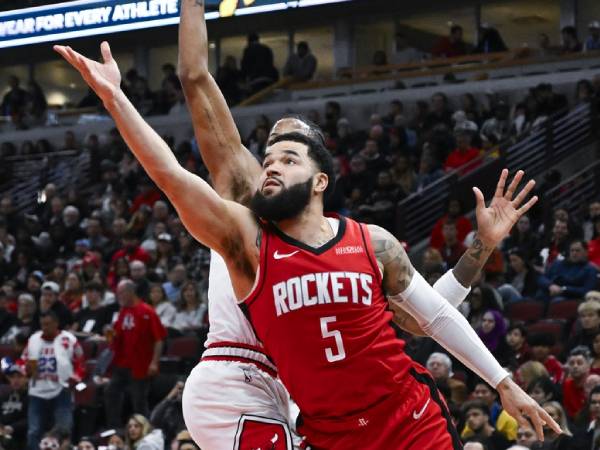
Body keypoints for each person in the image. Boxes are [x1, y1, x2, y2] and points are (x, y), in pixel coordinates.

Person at [55, 29, 557, 450]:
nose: (273, 159)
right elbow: (177, 138)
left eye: (290, 153)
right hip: (266, 394)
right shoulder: (246, 233)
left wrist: (503, 375)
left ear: (320, 178)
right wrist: (115, 97)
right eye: (269, 153)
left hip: (385, 414)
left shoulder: (367, 242)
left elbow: (428, 318)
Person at [104, 280, 166, 427]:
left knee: (139, 401)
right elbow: (117, 335)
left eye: (121, 293)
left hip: (141, 365)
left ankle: (145, 431)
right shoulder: (123, 311)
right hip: (121, 363)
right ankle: (114, 428)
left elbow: (159, 340)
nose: (118, 296)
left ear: (130, 292)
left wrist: (154, 363)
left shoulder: (147, 311)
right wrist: (109, 334)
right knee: (110, 391)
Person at [22, 311, 85, 450]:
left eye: (48, 324)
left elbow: (80, 360)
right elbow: (23, 360)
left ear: (56, 323)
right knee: (34, 430)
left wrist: (77, 377)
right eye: (42, 324)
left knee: (64, 429)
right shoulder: (33, 339)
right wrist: (25, 369)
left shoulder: (69, 339)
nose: (44, 327)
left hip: (61, 390)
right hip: (37, 390)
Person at [0, 357, 28, 448]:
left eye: (19, 376)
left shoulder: (31, 396)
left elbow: (31, 419)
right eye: (12, 377)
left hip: (22, 436)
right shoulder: (3, 393)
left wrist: (12, 428)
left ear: (26, 378)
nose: (15, 380)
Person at [562, 346, 592, 419]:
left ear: (588, 366)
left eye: (579, 363)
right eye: (571, 363)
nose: (575, 366)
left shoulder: (594, 384)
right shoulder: (566, 385)